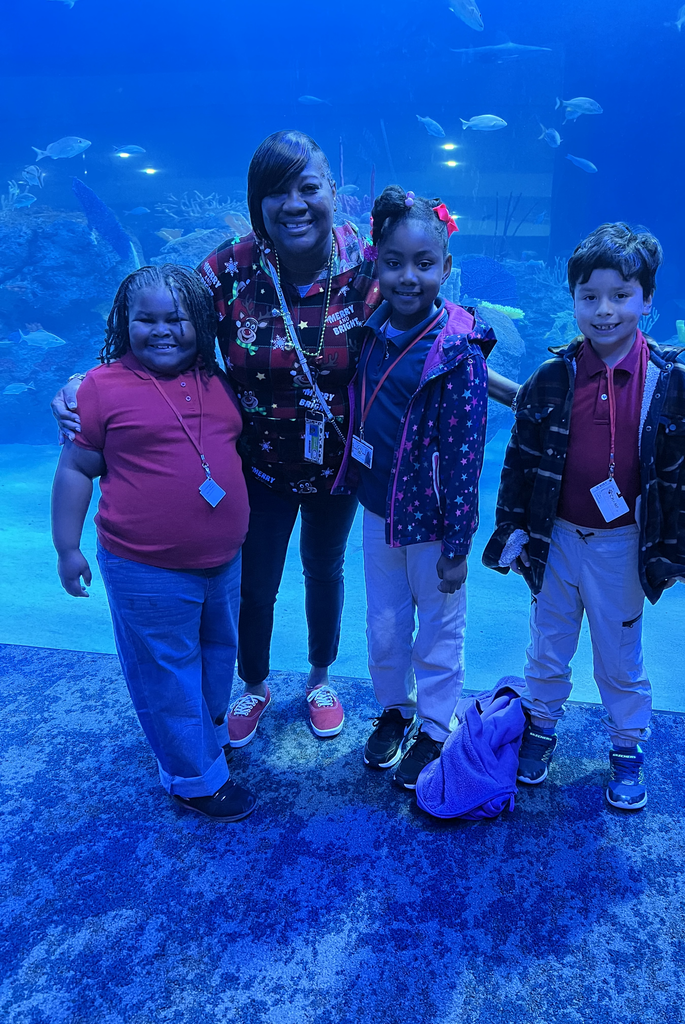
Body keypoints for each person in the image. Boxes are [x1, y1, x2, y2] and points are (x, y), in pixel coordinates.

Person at [51, 130, 517, 752]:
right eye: (276, 191)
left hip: (342, 465)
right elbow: (156, 319)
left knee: (324, 569)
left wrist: (517, 389)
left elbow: (437, 338)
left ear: (331, 193)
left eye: (307, 187)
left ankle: (321, 680)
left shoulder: (369, 260)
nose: (293, 204)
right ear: (256, 202)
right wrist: (87, 378)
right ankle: (254, 682)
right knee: (256, 578)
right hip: (256, 464)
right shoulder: (226, 269)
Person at [482, 222, 685, 811]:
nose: (604, 310)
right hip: (556, 538)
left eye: (621, 295)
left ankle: (626, 744)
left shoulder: (681, 389)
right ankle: (539, 730)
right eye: (589, 296)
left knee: (620, 655)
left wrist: (681, 551)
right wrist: (511, 527)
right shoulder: (550, 378)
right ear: (572, 301)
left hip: (624, 542)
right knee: (547, 645)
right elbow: (518, 461)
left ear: (648, 300)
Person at [51, 265, 255, 822]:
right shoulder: (100, 388)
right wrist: (66, 548)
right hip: (144, 566)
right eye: (146, 319)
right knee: (166, 669)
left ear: (204, 323)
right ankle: (194, 778)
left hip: (223, 562)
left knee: (217, 656)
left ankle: (205, 737)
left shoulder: (218, 377)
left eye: (177, 318)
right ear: (124, 322)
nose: (162, 331)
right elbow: (76, 469)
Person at [334, 187, 495, 790]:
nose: (409, 276)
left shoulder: (458, 351)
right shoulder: (369, 333)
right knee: (383, 622)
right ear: (376, 262)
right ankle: (394, 710)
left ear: (445, 269)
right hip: (379, 513)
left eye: (424, 264)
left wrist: (459, 543)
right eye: (395, 262)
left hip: (434, 524)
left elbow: (465, 456)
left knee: (440, 627)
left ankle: (434, 724)